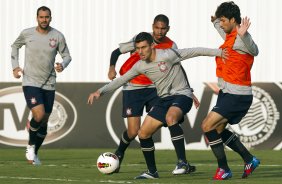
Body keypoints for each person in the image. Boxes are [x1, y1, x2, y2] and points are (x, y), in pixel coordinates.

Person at [88, 32, 226, 179]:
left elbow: (195, 51)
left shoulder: (168, 54)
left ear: (152, 46)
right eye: (137, 48)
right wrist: (100, 92)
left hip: (181, 95)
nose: (140, 51)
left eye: (143, 47)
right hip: (163, 100)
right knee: (142, 133)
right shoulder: (140, 66)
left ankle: (182, 163)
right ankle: (152, 172)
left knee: (170, 117)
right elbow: (121, 80)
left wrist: (219, 52)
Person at [108, 14, 198, 174]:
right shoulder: (141, 40)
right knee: (133, 131)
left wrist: (188, 90)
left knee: (170, 118)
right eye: (157, 27)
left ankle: (180, 162)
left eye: (163, 28)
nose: (160, 31)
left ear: (168, 29)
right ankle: (120, 153)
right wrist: (112, 67)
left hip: (155, 88)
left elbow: (176, 67)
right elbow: (116, 52)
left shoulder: (171, 45)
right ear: (152, 27)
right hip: (133, 88)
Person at [201, 1, 260, 180]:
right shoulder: (230, 36)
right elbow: (224, 31)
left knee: (206, 126)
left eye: (224, 20)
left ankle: (224, 169)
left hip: (237, 94)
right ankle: (249, 159)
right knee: (217, 129)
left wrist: (246, 35)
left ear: (233, 20)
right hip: (228, 92)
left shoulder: (241, 38)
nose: (222, 24)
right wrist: (215, 22)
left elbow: (255, 50)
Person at [11, 6, 72, 165]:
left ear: (50, 18)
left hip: (49, 83)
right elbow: (15, 46)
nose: (44, 20)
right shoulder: (27, 33)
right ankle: (30, 146)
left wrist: (63, 65)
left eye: (47, 17)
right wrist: (15, 66)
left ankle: (35, 152)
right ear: (37, 18)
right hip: (30, 81)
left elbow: (67, 56)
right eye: (41, 17)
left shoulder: (57, 36)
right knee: (39, 114)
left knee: (43, 122)